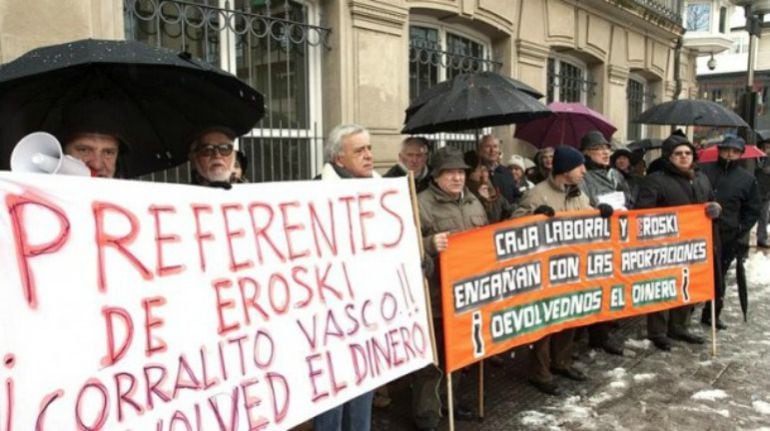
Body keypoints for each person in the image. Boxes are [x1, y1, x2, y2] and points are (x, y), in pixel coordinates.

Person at [514, 146, 609, 395]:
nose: (584, 171)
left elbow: (587, 216)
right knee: (545, 323)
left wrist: (603, 213)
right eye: (580, 167)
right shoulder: (537, 194)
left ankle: (562, 362)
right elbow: (512, 227)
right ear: (566, 170)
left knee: (568, 316)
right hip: (544, 272)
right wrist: (534, 217)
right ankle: (540, 373)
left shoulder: (578, 193)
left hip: (572, 268)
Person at [413, 146, 486, 430]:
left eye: (460, 172)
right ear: (436, 176)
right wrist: (429, 245)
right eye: (450, 173)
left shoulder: (473, 202)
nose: (457, 178)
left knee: (458, 356)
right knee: (432, 363)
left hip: (466, 296)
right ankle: (427, 415)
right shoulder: (421, 204)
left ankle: (450, 405)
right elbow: (403, 245)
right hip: (434, 297)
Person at [313, 124, 376, 431]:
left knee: (364, 386)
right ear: (339, 160)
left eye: (369, 149)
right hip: (332, 314)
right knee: (333, 393)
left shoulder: (382, 191)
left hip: (371, 308)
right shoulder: (314, 192)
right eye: (360, 151)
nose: (369, 156)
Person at [635, 133, 721, 350]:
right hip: (664, 246)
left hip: (693, 245)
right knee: (662, 287)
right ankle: (658, 331)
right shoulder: (655, 180)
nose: (684, 157)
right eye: (678, 154)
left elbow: (710, 201)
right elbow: (642, 213)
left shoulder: (701, 178)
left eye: (687, 153)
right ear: (668, 157)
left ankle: (680, 327)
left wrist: (715, 209)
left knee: (687, 284)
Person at [700, 135, 761, 330]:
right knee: (695, 272)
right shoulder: (703, 171)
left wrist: (740, 229)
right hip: (699, 230)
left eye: (734, 151)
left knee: (719, 275)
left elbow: (753, 209)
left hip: (727, 234)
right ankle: (684, 313)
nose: (729, 154)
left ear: (740, 154)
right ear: (719, 150)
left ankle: (712, 313)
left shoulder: (747, 179)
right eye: (726, 150)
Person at [579, 131, 629, 356]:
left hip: (616, 236)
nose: (605, 152)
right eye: (599, 148)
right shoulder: (583, 177)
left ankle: (602, 332)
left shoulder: (616, 175)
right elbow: (582, 206)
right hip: (594, 239)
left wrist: (626, 208)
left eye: (607, 148)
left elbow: (629, 196)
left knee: (611, 285)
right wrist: (600, 209)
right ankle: (588, 334)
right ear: (586, 153)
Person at [477, 134, 518, 203]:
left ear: (499, 150)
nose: (492, 150)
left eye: (495, 146)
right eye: (488, 146)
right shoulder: (476, 174)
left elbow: (516, 195)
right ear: (480, 150)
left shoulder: (507, 172)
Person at [754, 138, 770, 247]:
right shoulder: (754, 157)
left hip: (765, 192)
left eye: (769, 147)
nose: (767, 149)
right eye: (765, 147)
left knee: (763, 216)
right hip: (753, 191)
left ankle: (762, 239)